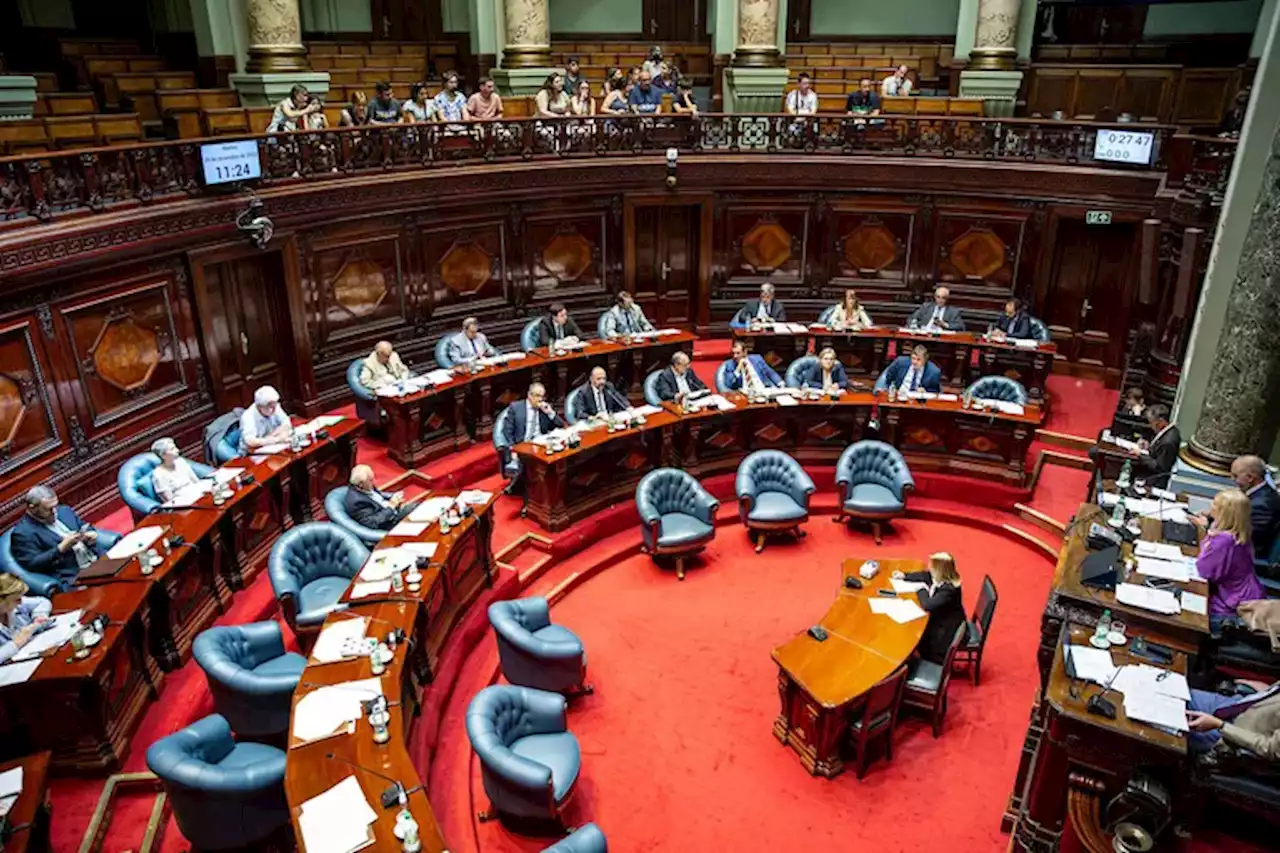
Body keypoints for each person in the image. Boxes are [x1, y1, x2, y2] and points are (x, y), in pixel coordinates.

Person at [10, 486, 114, 588]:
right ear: (32, 508)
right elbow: (33, 564)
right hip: (75, 576)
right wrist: (61, 548)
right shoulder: (23, 533)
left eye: (55, 505)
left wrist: (90, 534)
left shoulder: (64, 511)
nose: (54, 511)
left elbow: (84, 526)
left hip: (98, 559)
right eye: (49, 509)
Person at [1195, 489, 1264, 631]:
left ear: (1224, 512)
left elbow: (1204, 570)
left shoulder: (1223, 541)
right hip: (1249, 594)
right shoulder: (1240, 532)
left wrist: (1209, 537)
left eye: (1215, 505)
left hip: (1232, 605)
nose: (1210, 506)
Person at [893, 553, 965, 665]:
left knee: (914, 633)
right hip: (939, 619)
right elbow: (925, 575)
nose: (930, 568)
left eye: (932, 567)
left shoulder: (949, 589)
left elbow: (927, 605)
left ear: (940, 570)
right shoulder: (942, 577)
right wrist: (904, 576)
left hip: (944, 629)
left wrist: (921, 589)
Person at [1186, 677, 1280, 758]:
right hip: (1239, 705)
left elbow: (1270, 749)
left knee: (1179, 728)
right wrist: (1269, 690)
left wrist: (1221, 726)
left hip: (1235, 735)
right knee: (1181, 695)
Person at [500, 382, 568, 493]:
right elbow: (507, 431)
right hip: (522, 446)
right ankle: (529, 497)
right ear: (529, 395)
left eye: (542, 396)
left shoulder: (545, 409)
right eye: (537, 396)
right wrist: (513, 448)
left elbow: (561, 426)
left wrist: (550, 413)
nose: (540, 399)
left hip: (540, 445)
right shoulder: (516, 408)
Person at [1230, 455, 1280, 559]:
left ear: (1250, 478)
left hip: (1245, 558)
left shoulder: (1262, 505)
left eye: (1235, 476)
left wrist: (1207, 526)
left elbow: (1243, 538)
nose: (1232, 479)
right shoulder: (1258, 493)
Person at [0, 573, 52, 665]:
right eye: (17, 599)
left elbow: (43, 601)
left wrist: (38, 617)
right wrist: (16, 643)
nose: (21, 602)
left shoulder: (15, 603)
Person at [343, 464, 412, 531]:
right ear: (361, 484)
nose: (374, 482)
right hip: (388, 523)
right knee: (414, 510)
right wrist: (391, 506)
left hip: (388, 510)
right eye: (371, 480)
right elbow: (372, 522)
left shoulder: (365, 486)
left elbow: (377, 495)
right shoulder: (357, 503)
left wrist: (393, 496)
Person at [1133, 404, 1179, 489]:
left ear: (1161, 421)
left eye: (1152, 422)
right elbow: (1158, 450)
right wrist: (1148, 446)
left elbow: (1159, 467)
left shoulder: (1168, 441)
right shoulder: (1169, 431)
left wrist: (1140, 455)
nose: (1151, 426)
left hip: (1153, 482)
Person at [239, 385, 291, 454]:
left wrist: (280, 433)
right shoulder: (248, 416)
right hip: (251, 453)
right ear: (259, 406)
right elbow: (250, 441)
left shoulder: (274, 406)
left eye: (275, 405)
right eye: (270, 407)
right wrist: (275, 440)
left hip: (272, 447)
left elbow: (286, 422)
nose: (274, 409)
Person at [149, 437, 203, 504]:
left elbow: (196, 482)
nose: (177, 450)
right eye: (172, 449)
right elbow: (170, 501)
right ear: (163, 455)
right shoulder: (158, 474)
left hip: (199, 495)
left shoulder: (181, 461)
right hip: (184, 504)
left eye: (175, 447)